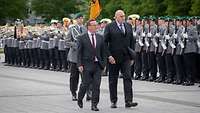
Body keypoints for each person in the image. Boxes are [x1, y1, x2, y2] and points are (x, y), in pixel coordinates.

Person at [104, 10, 138, 108]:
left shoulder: (128, 26)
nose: (124, 18)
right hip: (113, 58)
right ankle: (113, 101)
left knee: (127, 77)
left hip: (126, 57)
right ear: (116, 17)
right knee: (113, 79)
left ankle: (128, 101)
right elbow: (104, 43)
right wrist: (109, 56)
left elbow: (132, 41)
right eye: (122, 16)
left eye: (124, 16)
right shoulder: (109, 27)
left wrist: (132, 56)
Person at [76, 19, 106, 111]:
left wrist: (104, 64)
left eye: (96, 25)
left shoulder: (100, 37)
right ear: (88, 27)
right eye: (93, 25)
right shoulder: (82, 37)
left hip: (97, 65)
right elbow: (79, 52)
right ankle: (80, 98)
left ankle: (94, 104)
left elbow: (103, 52)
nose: (96, 26)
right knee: (85, 84)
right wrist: (80, 64)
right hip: (86, 65)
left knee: (96, 85)